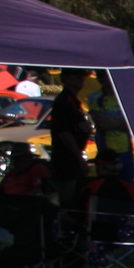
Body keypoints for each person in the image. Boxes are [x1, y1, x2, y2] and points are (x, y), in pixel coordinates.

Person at [48, 71, 92, 207]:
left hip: (71, 158)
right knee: (68, 199)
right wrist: (79, 158)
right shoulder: (64, 101)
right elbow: (64, 133)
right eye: (77, 76)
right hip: (65, 160)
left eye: (82, 77)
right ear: (66, 78)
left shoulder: (74, 101)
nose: (82, 80)